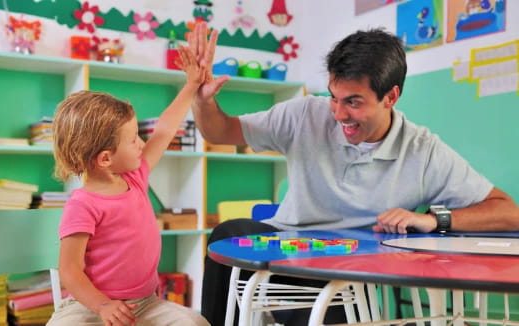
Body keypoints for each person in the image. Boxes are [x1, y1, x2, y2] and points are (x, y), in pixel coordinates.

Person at [189, 23, 519, 325]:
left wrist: (437, 220)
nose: (338, 113)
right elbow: (222, 132)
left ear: (390, 96)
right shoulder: (305, 113)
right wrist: (203, 101)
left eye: (354, 102)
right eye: (334, 98)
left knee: (322, 309)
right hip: (288, 249)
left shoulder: (423, 150)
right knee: (227, 235)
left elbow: (507, 212)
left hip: (349, 269)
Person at [47, 46, 210, 326]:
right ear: (106, 158)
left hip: (146, 304)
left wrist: (191, 85)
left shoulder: (134, 178)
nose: (143, 144)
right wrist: (103, 306)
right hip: (90, 304)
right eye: (134, 139)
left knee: (195, 323)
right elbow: (70, 271)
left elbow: (164, 130)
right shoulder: (82, 205)